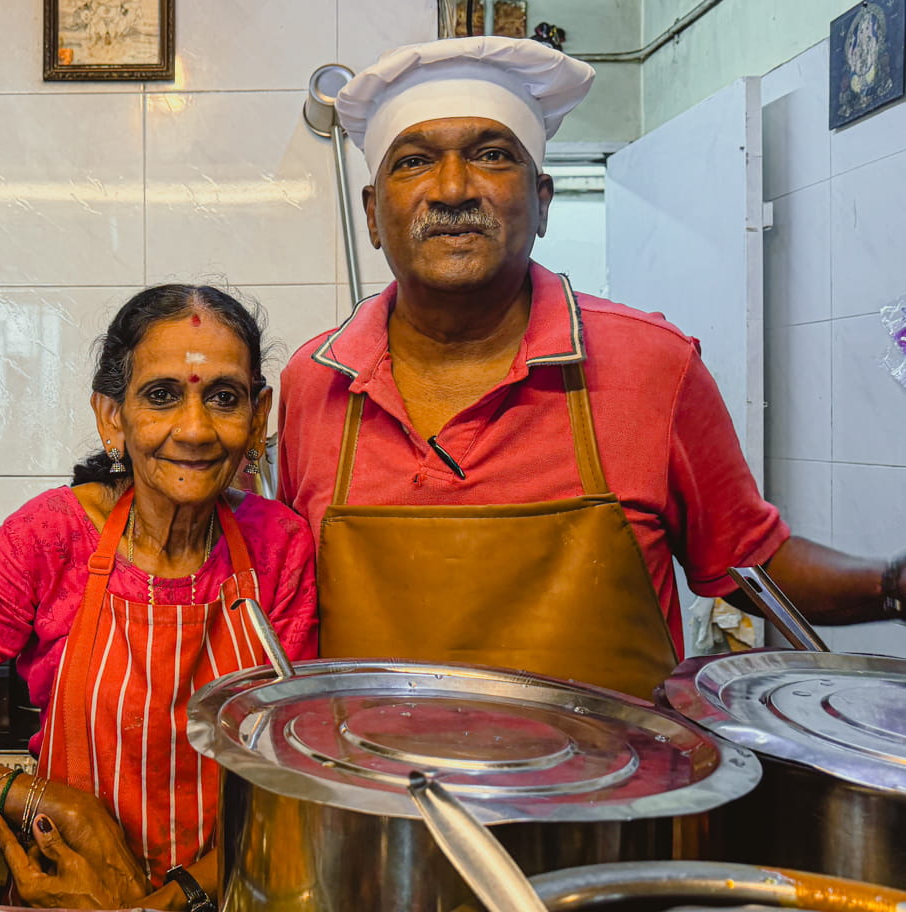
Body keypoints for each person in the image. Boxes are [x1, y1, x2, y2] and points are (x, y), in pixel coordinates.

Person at [277, 36, 904, 700]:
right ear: (374, 215)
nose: (454, 187)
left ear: (542, 200)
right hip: (372, 796)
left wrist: (890, 585)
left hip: (615, 798)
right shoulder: (314, 380)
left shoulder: (652, 365)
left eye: (492, 155)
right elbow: (284, 585)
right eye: (414, 161)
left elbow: (748, 568)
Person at [0, 284, 318, 911]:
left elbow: (296, 784)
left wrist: (159, 910)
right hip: (60, 909)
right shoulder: (48, 539)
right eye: (162, 395)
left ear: (258, 417)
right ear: (111, 416)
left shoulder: (280, 547)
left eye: (223, 398)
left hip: (233, 904)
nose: (197, 429)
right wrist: (57, 802)